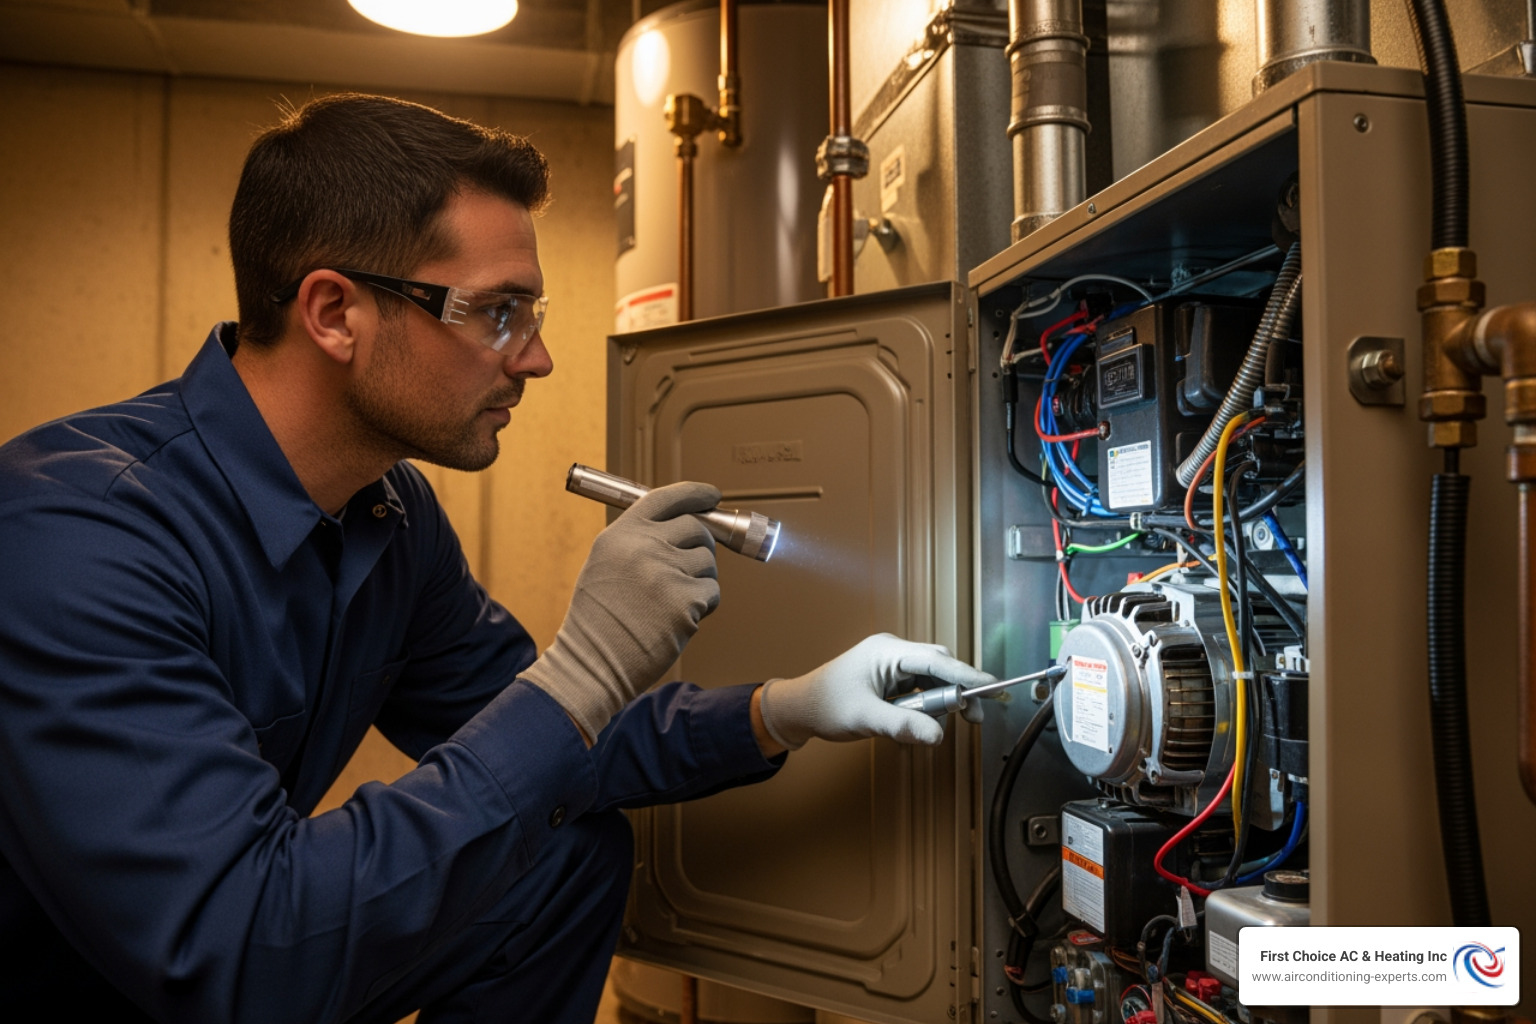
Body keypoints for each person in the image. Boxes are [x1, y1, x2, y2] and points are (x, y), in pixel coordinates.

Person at [0, 93, 992, 1024]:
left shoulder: (389, 513)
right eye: (497, 312)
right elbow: (241, 949)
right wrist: (583, 668)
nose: (536, 358)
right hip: (144, 976)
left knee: (563, 859)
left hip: (246, 958)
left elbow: (551, 735)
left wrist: (789, 707)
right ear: (335, 311)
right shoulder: (77, 531)